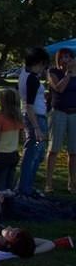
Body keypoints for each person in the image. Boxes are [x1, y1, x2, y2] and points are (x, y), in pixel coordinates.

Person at [17, 47, 50, 196]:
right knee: (32, 154)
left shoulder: (25, 74)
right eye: (43, 65)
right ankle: (24, 188)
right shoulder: (31, 79)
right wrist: (36, 127)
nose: (44, 69)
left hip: (34, 116)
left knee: (37, 154)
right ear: (38, 62)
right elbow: (30, 105)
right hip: (35, 118)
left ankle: (26, 186)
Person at [46, 47, 76, 194]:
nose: (67, 60)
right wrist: (68, 74)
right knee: (54, 150)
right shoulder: (53, 72)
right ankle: (49, 183)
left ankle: (72, 183)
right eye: (64, 57)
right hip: (58, 113)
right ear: (59, 59)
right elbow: (59, 88)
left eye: (70, 57)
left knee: (74, 151)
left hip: (74, 114)